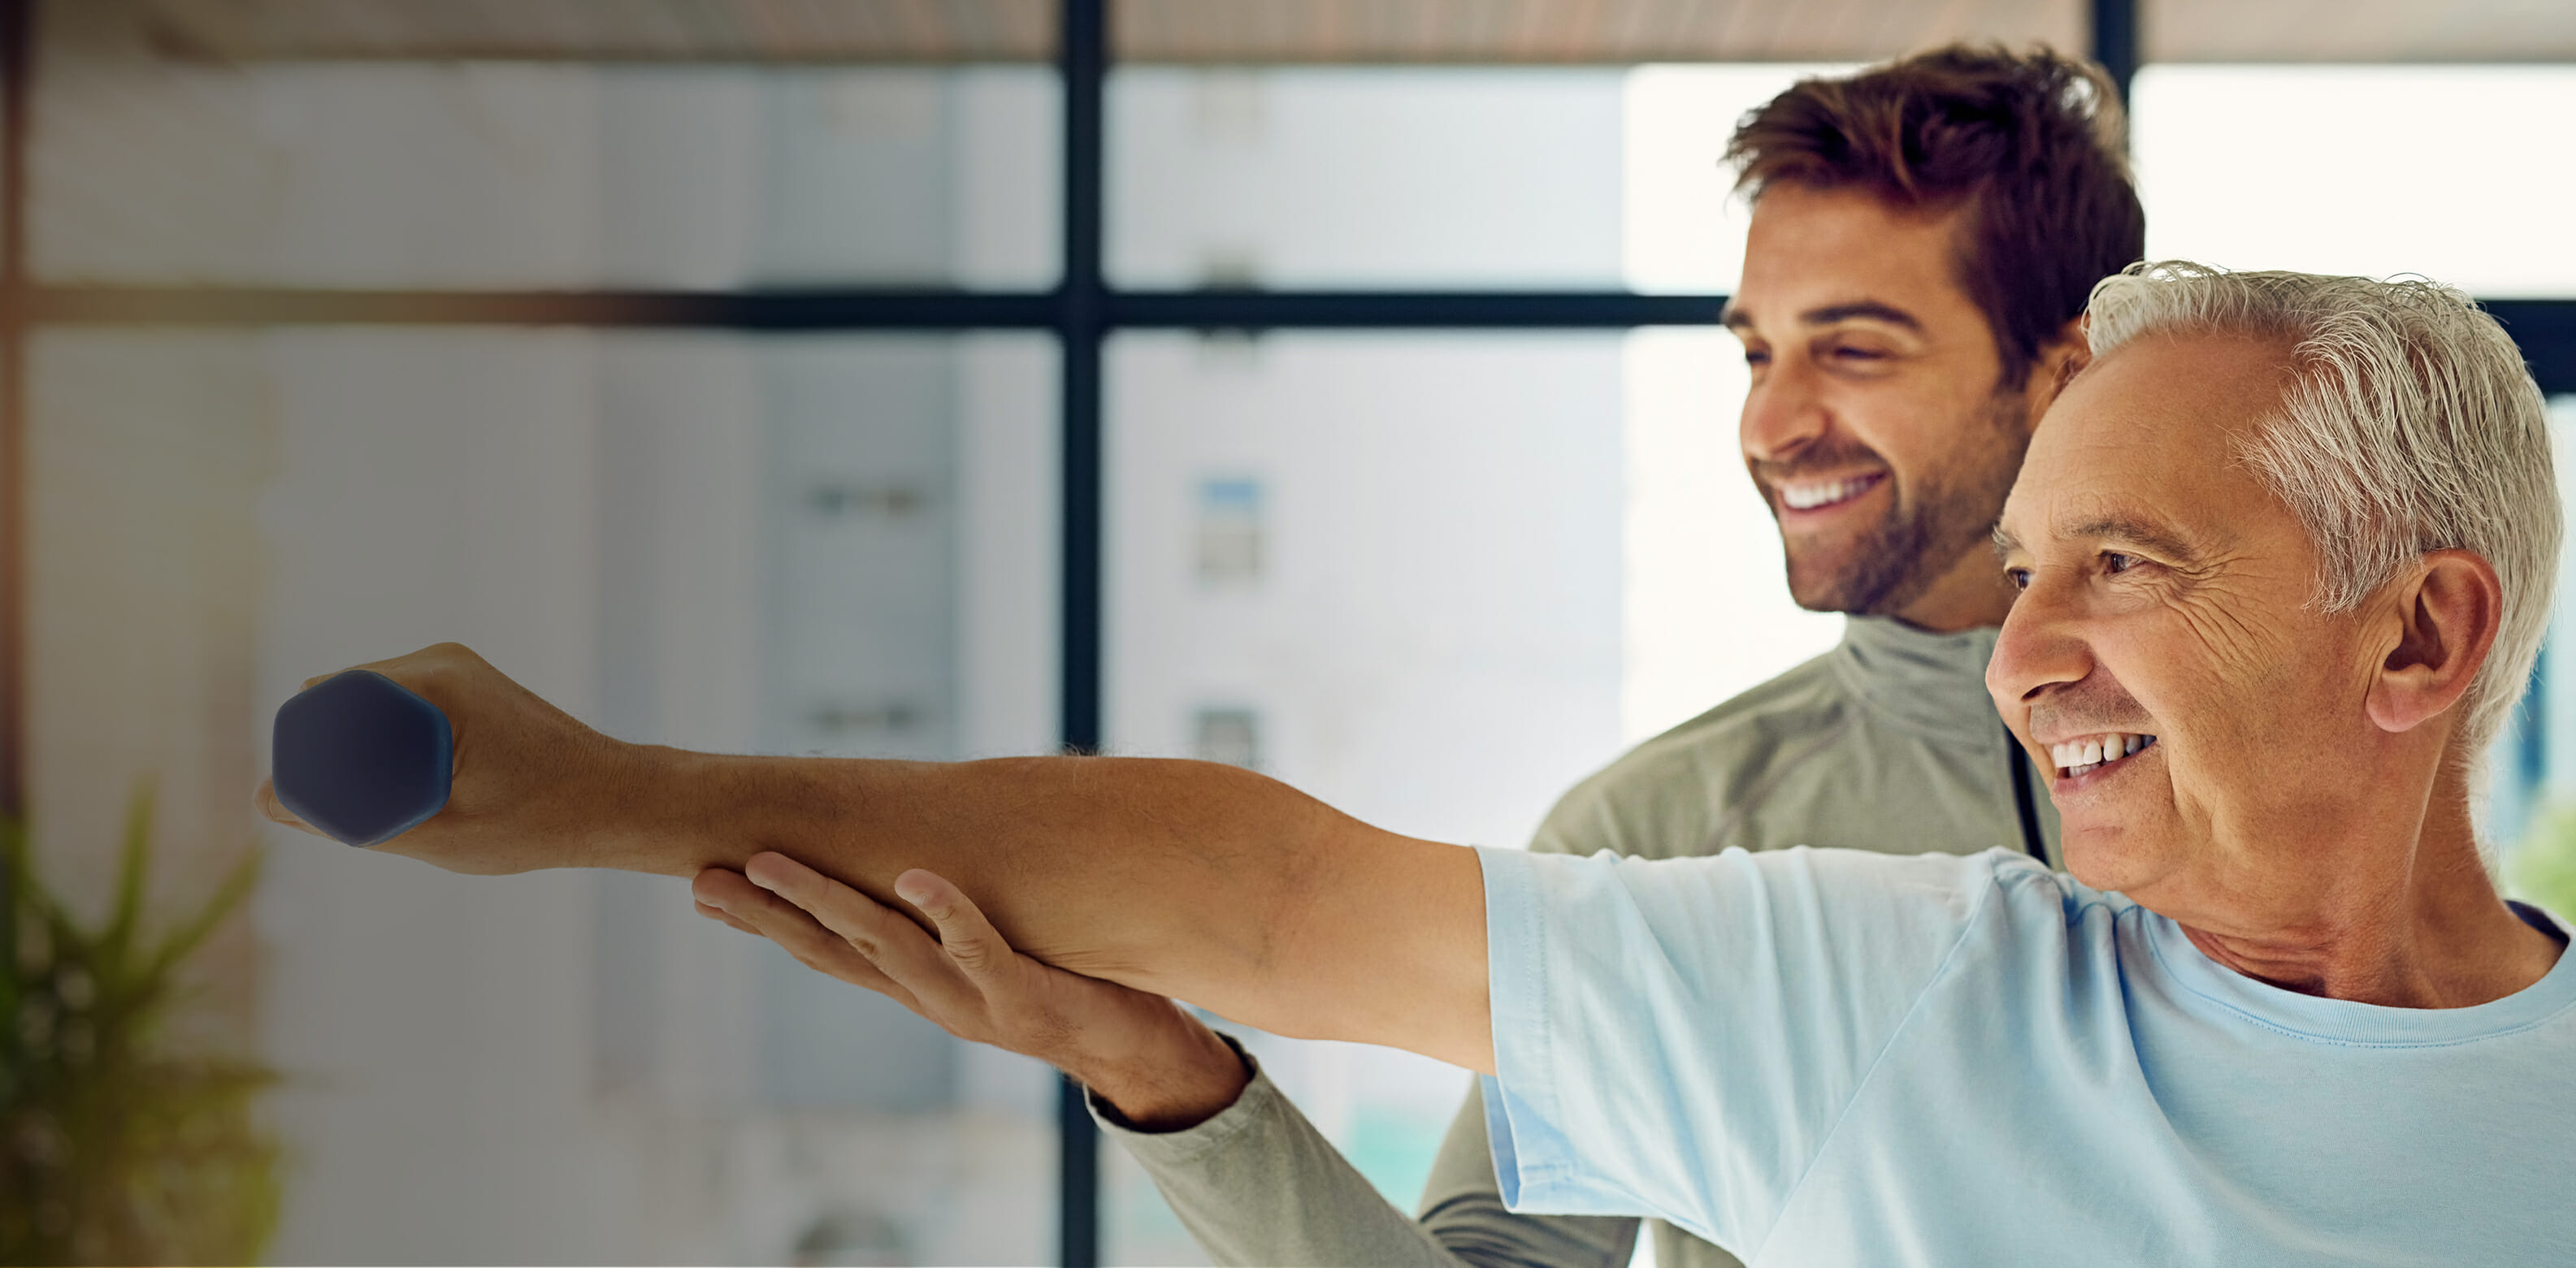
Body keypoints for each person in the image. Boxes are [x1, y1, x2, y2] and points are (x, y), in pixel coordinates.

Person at [260, 263, 2574, 1262]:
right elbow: (1272, 892)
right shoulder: (1906, 998)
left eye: (2124, 567)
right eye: (2029, 568)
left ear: (2420, 632)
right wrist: (610, 796)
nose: (2022, 656)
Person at [718, 45, 2148, 1268]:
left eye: (1852, 349)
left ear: (2060, 370)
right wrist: (1157, 1071)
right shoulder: (1659, 838)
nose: (1772, 424)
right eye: (1753, 352)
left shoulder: (2295, 750)